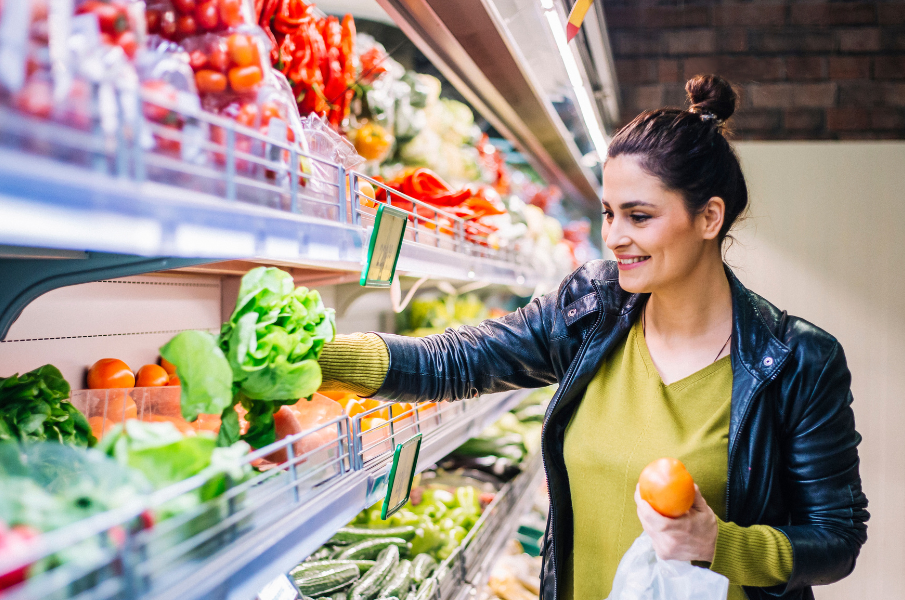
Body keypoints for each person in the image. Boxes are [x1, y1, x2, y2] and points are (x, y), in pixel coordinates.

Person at [318, 74, 868, 600]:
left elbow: (836, 538)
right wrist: (322, 357)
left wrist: (718, 543)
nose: (615, 237)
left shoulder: (798, 360)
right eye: (609, 213)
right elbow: (464, 359)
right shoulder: (592, 310)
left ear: (709, 218)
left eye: (639, 216)